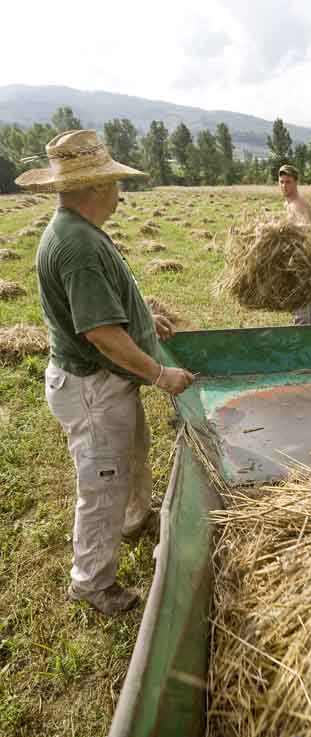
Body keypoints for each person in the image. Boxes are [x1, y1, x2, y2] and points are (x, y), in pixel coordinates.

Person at [16, 129, 196, 615]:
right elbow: (100, 333)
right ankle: (92, 580)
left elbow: (108, 311)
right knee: (101, 482)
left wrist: (144, 320)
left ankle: (135, 520)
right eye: (113, 183)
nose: (118, 192)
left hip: (108, 383)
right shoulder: (76, 245)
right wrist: (160, 374)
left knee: (132, 454)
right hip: (93, 389)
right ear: (95, 187)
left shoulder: (82, 232)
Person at [278, 164, 311, 326]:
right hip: (299, 259)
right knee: (307, 306)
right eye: (281, 182)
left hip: (301, 260)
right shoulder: (288, 204)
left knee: (300, 309)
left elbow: (306, 229)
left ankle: (301, 345)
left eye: (288, 182)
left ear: (296, 182)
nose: (284, 186)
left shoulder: (297, 205)